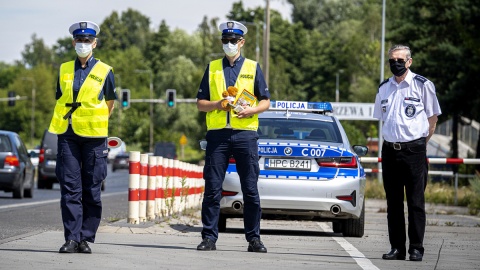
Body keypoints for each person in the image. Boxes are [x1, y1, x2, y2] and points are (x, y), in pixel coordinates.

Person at [196, 21, 271, 252]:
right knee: (212, 189)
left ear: (242, 42)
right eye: (225, 41)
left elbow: (266, 101)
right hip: (218, 136)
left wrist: (252, 110)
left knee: (250, 189)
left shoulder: (252, 67)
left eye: (233, 41)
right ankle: (209, 237)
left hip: (245, 135)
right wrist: (218, 104)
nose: (228, 44)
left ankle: (254, 239)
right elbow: (200, 104)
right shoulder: (212, 67)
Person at [48, 21, 117, 254]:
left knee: (91, 189)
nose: (83, 44)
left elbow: (110, 103)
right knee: (70, 189)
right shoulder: (64, 69)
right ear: (73, 42)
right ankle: (71, 238)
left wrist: (94, 120)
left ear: (94, 43)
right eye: (79, 40)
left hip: (94, 137)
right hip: (67, 134)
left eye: (87, 40)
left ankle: (86, 238)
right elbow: (60, 98)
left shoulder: (105, 71)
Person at [373, 45, 442, 262]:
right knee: (393, 203)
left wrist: (421, 143)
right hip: (390, 151)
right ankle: (397, 248)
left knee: (415, 202)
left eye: (400, 60)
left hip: (414, 150)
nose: (396, 64)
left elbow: (432, 119)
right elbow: (382, 118)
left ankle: (416, 248)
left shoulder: (423, 85)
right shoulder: (384, 88)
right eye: (392, 60)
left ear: (409, 61)